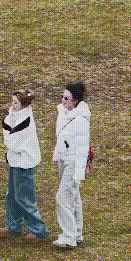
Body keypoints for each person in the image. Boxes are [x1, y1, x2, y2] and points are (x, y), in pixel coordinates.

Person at [0, 90, 48, 241]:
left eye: (15, 103)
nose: (12, 105)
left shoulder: (25, 120)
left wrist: (9, 139)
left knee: (24, 197)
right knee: (12, 196)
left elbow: (12, 141)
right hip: (15, 161)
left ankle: (38, 229)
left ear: (23, 105)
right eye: (12, 102)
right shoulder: (14, 117)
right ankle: (13, 226)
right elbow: (8, 133)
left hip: (24, 163)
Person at [52, 81, 90, 248]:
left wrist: (78, 173)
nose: (63, 100)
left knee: (63, 197)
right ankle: (76, 232)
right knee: (73, 197)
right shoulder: (64, 112)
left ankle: (68, 237)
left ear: (75, 100)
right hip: (64, 159)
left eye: (66, 97)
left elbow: (82, 149)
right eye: (62, 96)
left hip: (73, 163)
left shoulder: (81, 121)